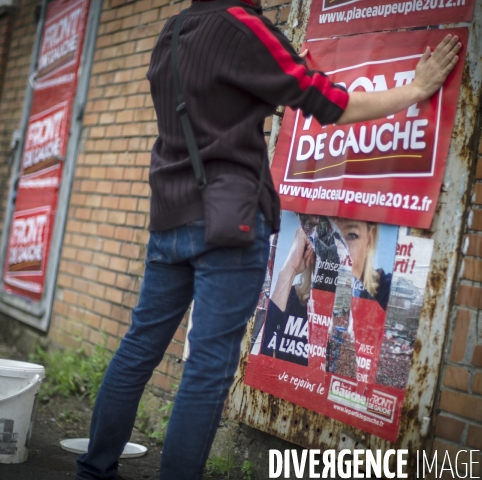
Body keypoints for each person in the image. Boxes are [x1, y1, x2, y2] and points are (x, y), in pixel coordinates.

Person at [75, 0, 461, 478]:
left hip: (170, 217)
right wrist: (418, 89)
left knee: (138, 349)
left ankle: (93, 470)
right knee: (208, 369)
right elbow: (329, 103)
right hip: (229, 222)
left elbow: (220, 101)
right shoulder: (243, 27)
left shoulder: (173, 31)